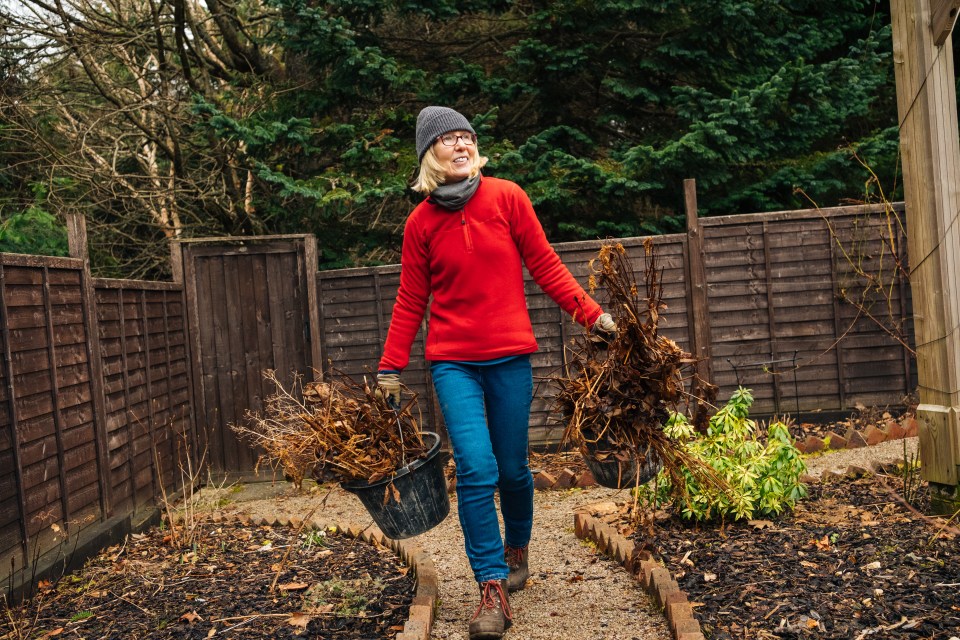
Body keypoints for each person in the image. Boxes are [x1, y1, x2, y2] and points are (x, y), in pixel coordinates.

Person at [376, 106, 616, 640]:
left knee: (513, 469)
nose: (461, 145)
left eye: (467, 137)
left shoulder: (508, 197)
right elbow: (411, 298)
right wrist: (391, 368)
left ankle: (517, 551)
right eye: (448, 140)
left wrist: (592, 314)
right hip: (453, 362)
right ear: (428, 155)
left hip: (509, 357)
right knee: (476, 469)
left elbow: (546, 263)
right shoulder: (420, 224)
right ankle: (491, 586)